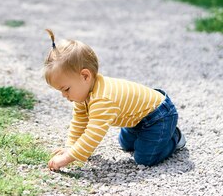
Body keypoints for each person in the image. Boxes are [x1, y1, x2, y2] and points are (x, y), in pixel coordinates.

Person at [43, 29, 186, 171]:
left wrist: (68, 158)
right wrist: (70, 147)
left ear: (85, 76)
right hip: (137, 119)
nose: (64, 95)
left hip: (159, 115)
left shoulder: (103, 98)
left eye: (66, 89)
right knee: (125, 144)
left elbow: (93, 134)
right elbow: (79, 122)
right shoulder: (83, 95)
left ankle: (174, 136)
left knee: (144, 158)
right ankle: (151, 135)